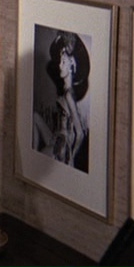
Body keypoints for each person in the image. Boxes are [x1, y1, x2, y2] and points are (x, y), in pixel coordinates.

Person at [32, 31, 89, 171]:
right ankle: (32, 152)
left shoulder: (69, 94)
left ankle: (36, 157)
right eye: (60, 61)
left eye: (63, 62)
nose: (59, 66)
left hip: (61, 146)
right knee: (35, 116)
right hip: (56, 137)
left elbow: (80, 133)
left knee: (38, 163)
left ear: (72, 65)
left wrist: (71, 156)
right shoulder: (65, 91)